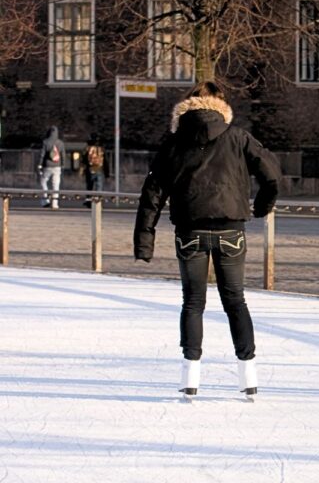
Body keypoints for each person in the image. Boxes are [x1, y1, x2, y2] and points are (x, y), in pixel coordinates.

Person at [133, 81, 281, 401]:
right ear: (220, 105)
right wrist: (262, 207)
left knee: (193, 302)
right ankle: (248, 376)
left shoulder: (174, 142)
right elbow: (272, 175)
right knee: (235, 301)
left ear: (189, 105)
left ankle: (191, 378)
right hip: (231, 229)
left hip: (190, 231)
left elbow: (152, 194)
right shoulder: (238, 137)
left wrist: (145, 240)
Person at [37, 126, 66, 210]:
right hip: (57, 166)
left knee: (43, 181)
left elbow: (42, 155)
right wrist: (63, 164)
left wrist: (40, 164)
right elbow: (63, 155)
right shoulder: (60, 143)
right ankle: (55, 204)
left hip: (47, 166)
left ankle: (45, 199)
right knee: (56, 185)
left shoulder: (46, 142)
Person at [82, 133, 107, 207]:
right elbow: (105, 161)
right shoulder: (101, 148)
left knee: (89, 186)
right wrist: (106, 171)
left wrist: (83, 169)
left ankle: (89, 201)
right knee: (99, 186)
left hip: (90, 169)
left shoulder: (87, 148)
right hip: (99, 169)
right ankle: (98, 202)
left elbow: (84, 160)